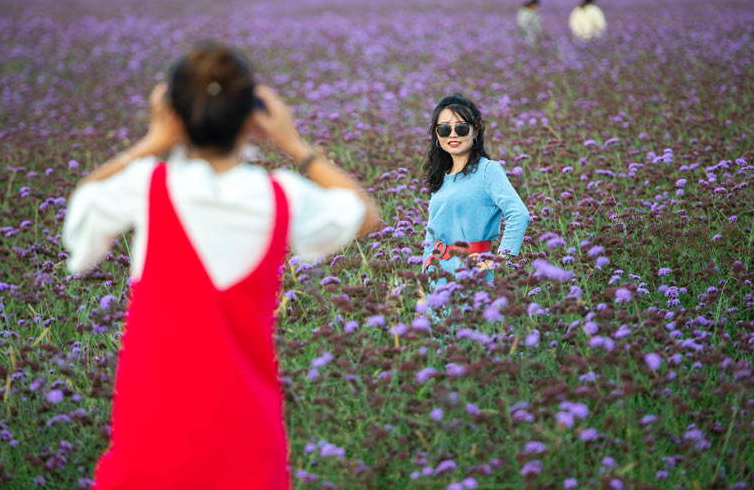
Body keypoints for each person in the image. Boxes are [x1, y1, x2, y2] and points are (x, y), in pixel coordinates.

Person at [63, 41, 380, 489]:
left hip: (151, 448)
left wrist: (153, 140)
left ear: (174, 114)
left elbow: (81, 208)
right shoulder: (280, 197)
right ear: (252, 116)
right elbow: (365, 214)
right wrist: (296, 146)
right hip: (248, 447)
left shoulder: (147, 187)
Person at [422, 94, 529, 283]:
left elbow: (519, 214)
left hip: (470, 273)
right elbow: (431, 236)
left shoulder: (488, 170)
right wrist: (423, 286)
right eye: (445, 129)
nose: (453, 134)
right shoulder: (442, 176)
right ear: (437, 134)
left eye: (461, 128)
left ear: (476, 131)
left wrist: (499, 259)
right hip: (436, 275)